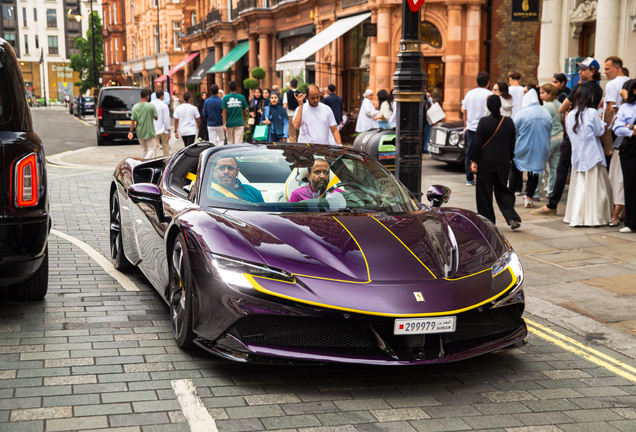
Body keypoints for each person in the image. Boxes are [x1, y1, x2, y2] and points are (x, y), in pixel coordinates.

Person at [532, 58, 604, 216]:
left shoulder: (580, 87)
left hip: (575, 133)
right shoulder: (599, 89)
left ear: (592, 71)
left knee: (562, 167)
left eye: (583, 69)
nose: (579, 72)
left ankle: (552, 205)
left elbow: (563, 107)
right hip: (590, 136)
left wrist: (569, 113)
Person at [563, 84, 613, 226]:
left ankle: (577, 217)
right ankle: (594, 218)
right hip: (592, 156)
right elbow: (599, 131)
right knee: (597, 190)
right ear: (589, 97)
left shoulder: (570, 115)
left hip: (578, 156)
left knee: (579, 187)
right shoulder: (591, 113)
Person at [470, 95, 521, 229]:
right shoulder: (508, 122)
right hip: (502, 163)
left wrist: (474, 160)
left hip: (485, 163)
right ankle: (512, 217)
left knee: (484, 194)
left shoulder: (483, 122)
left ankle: (488, 222)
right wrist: (509, 157)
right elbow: (512, 143)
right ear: (500, 105)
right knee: (502, 190)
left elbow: (478, 143)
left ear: (488, 106)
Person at [509, 88, 553, 208]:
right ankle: (529, 199)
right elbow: (550, 129)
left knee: (515, 171)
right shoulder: (545, 113)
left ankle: (510, 198)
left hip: (522, 147)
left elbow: (514, 131)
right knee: (533, 173)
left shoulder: (521, 113)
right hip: (540, 148)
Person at [608, 79, 634, 226]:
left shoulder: (626, 106)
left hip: (626, 147)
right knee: (619, 178)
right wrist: (631, 127)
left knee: (622, 180)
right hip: (624, 147)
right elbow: (617, 126)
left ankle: (618, 212)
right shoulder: (625, 107)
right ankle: (619, 211)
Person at [462, 71, 493, 186]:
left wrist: (465, 125)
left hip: (471, 128)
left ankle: (469, 178)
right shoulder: (489, 94)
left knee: (469, 153)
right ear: (488, 82)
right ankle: (481, 176)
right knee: (484, 153)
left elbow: (464, 111)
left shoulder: (469, 94)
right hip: (484, 128)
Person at [539, 84, 563, 198]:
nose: (541, 95)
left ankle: (533, 193)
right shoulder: (560, 104)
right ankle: (551, 191)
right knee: (554, 167)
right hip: (559, 137)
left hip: (549, 139)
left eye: (543, 93)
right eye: (540, 92)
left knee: (539, 166)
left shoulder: (546, 107)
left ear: (550, 94)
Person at [128, 88, 158, 159]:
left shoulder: (135, 107)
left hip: (140, 131)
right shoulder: (151, 106)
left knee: (144, 149)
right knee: (152, 148)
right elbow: (156, 118)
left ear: (140, 96)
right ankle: (144, 161)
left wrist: (130, 131)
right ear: (148, 96)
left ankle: (144, 165)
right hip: (149, 130)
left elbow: (133, 121)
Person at [151, 89, 171, 156]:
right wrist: (169, 130)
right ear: (162, 96)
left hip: (153, 128)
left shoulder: (151, 104)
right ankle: (166, 159)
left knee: (154, 146)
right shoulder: (164, 105)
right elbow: (166, 119)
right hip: (163, 128)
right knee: (165, 145)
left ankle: (152, 160)